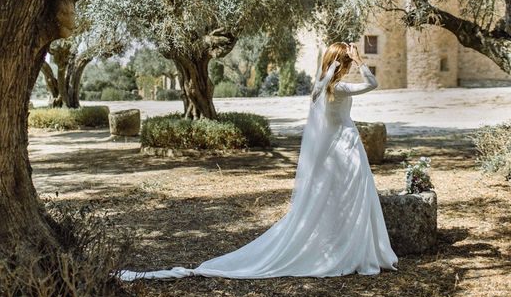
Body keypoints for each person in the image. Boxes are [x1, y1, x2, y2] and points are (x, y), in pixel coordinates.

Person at [119, 42, 397, 280]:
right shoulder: (343, 88)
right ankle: (350, 248)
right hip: (347, 146)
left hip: (333, 152)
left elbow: (319, 96)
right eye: (348, 62)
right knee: (351, 197)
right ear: (345, 64)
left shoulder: (320, 88)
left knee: (331, 198)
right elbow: (372, 84)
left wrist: (335, 70)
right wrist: (361, 62)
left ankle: (335, 244)